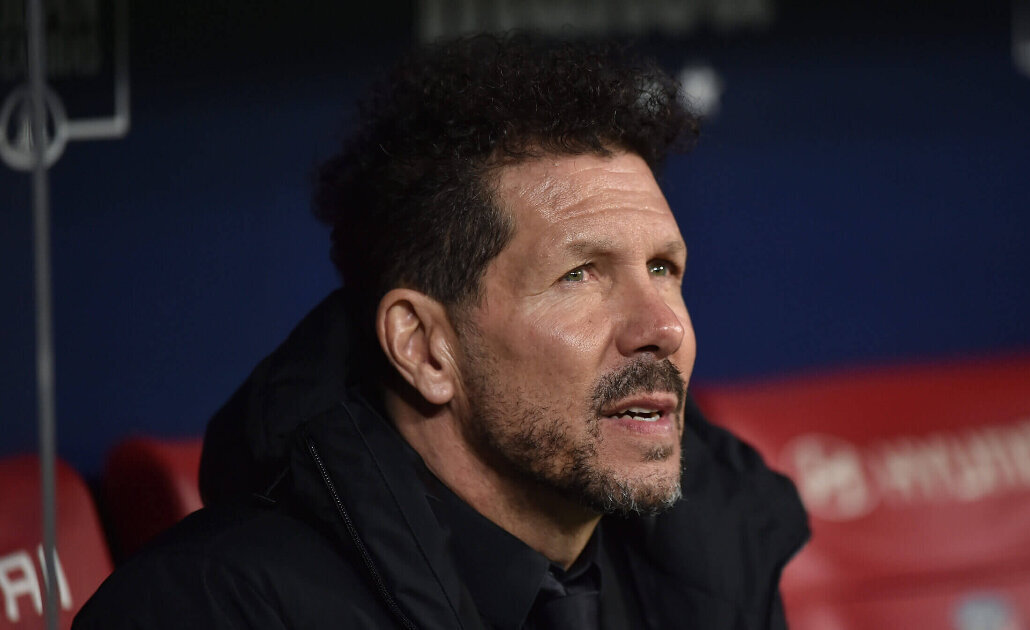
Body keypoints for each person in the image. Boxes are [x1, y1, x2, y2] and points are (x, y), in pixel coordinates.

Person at [75, 33, 808, 629]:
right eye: (580, 274)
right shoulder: (211, 609)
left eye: (663, 268)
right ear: (424, 348)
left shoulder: (721, 556)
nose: (664, 327)